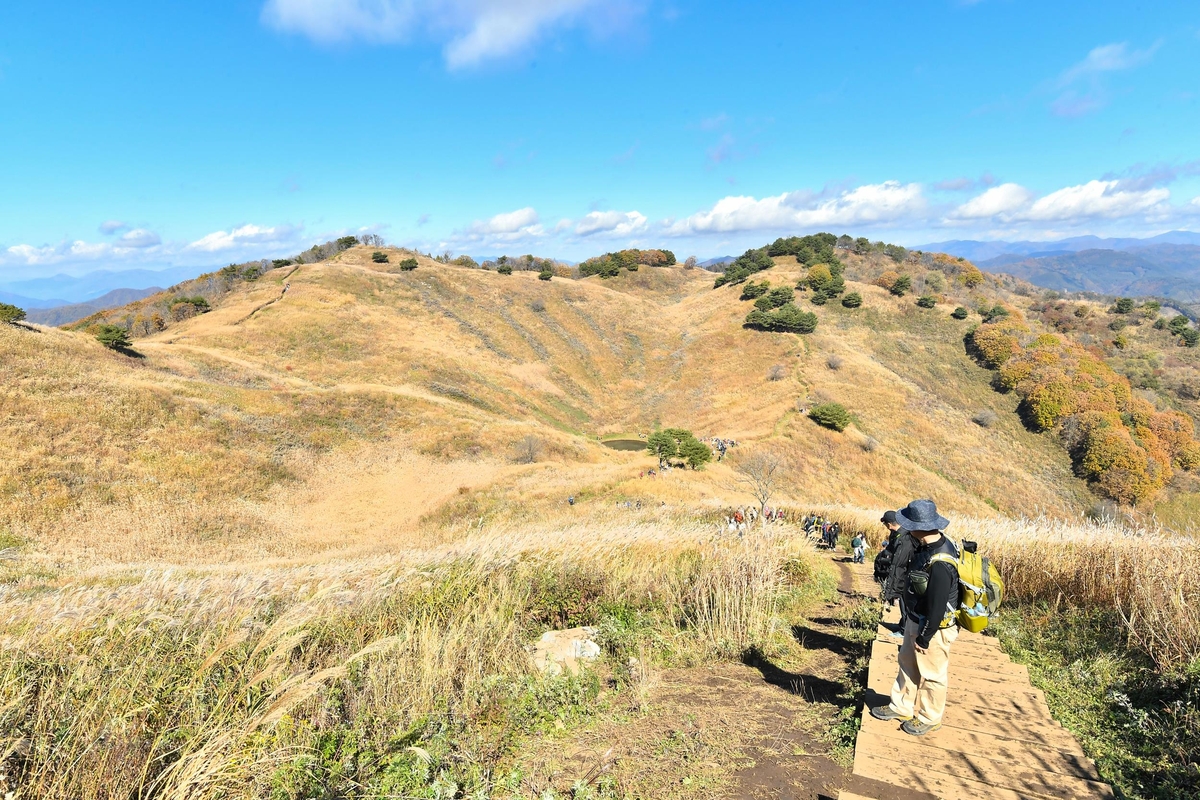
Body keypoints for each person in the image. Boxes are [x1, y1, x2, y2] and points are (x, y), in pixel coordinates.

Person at [870, 499, 960, 736]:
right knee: (907, 663)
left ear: (919, 526)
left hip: (934, 627)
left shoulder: (941, 561)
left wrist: (925, 637)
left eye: (909, 524)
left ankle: (930, 717)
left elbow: (938, 606)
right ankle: (901, 706)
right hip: (915, 618)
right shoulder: (925, 546)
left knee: (932, 674)